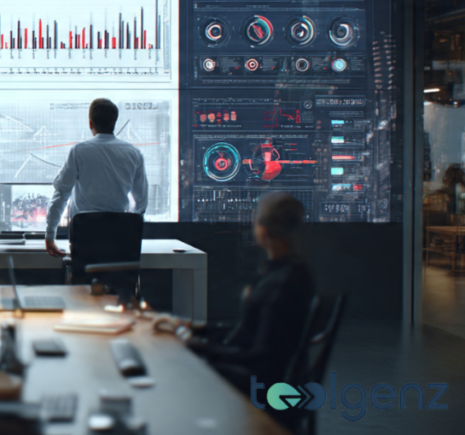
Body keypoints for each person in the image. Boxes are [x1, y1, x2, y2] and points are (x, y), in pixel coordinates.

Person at [157, 192, 314, 396]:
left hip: (257, 386)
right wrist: (192, 329)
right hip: (264, 378)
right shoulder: (294, 275)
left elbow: (259, 356)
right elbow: (251, 333)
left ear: (262, 228)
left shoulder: (278, 285)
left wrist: (195, 345)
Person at [44, 98, 148, 257]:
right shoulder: (134, 153)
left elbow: (61, 194)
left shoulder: (79, 151)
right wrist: (128, 228)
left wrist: (50, 236)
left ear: (90, 123)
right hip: (120, 245)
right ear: (114, 123)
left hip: (84, 243)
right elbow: (141, 203)